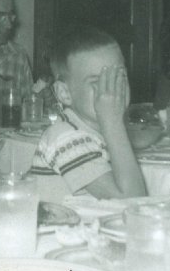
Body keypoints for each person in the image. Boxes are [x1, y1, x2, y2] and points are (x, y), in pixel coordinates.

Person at [30, 25, 147, 202]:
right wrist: (113, 122)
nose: (112, 90)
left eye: (119, 77)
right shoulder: (66, 137)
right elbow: (132, 202)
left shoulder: (93, 131)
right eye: (96, 82)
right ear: (64, 93)